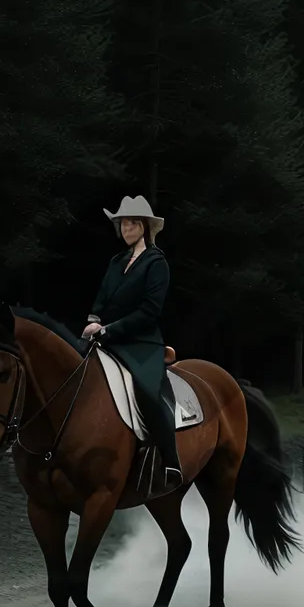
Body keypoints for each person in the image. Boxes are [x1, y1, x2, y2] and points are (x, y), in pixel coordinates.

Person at [81, 194, 183, 497]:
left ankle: (171, 461)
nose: (127, 227)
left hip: (141, 342)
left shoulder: (157, 263)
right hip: (104, 337)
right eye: (124, 222)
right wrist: (93, 319)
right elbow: (101, 299)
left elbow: (149, 311)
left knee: (146, 391)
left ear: (146, 227)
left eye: (133, 222)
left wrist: (108, 329)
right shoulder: (116, 262)